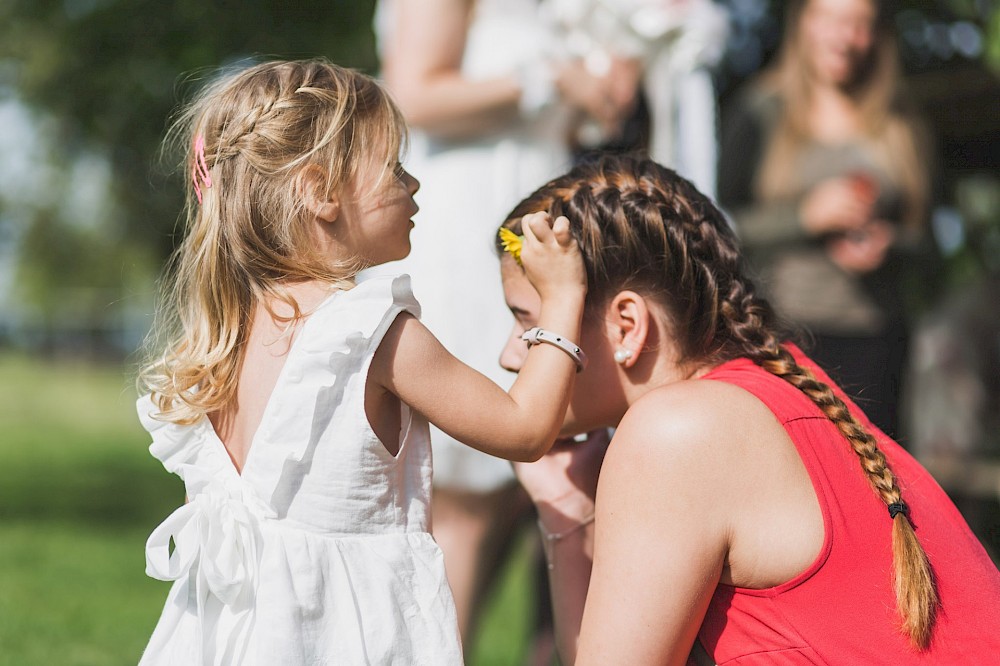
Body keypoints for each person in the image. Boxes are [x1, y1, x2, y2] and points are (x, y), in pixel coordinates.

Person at [134, 59, 588, 665]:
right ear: (321, 192)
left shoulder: (229, 330)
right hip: (340, 633)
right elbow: (526, 430)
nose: (414, 184)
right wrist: (562, 300)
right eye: (395, 166)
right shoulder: (371, 331)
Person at [497, 154, 1000, 664]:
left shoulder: (678, 431)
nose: (510, 355)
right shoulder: (775, 383)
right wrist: (566, 509)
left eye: (532, 325)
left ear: (627, 326)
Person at [371, 0, 635, 646]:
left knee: (513, 493)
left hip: (538, 212)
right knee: (459, 495)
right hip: (466, 221)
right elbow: (411, 93)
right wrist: (549, 79)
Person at [717, 0, 938, 438]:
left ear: (876, 35)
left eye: (860, 24)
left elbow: (928, 241)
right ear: (804, 23)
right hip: (780, 336)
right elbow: (721, 228)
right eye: (833, 19)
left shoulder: (901, 123)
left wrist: (888, 245)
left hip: (876, 342)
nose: (845, 37)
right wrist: (803, 217)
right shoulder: (760, 111)